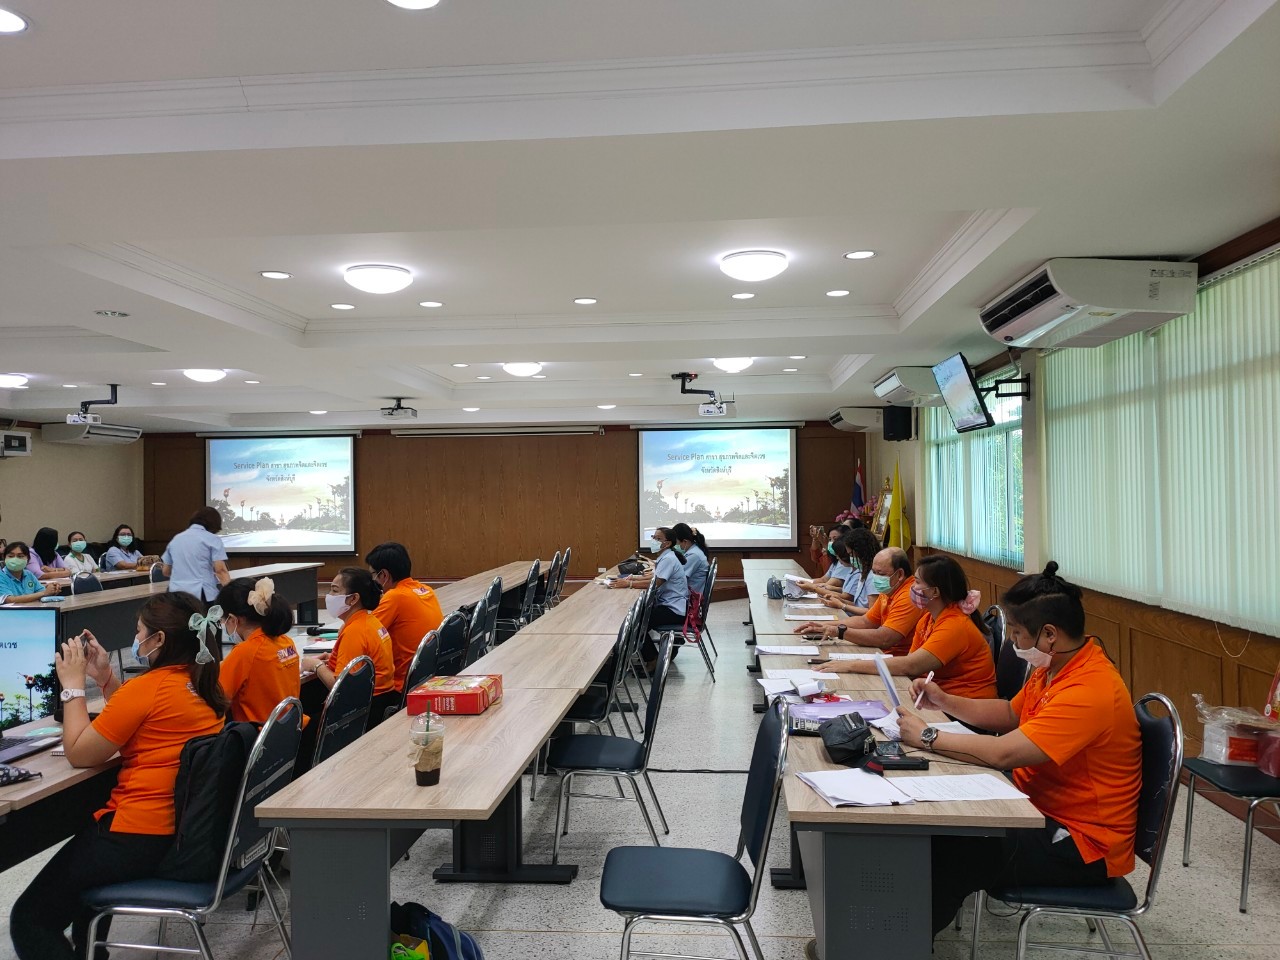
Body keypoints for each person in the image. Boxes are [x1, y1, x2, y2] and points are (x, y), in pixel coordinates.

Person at [896, 562, 1141, 938]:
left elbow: (1004, 754)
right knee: (942, 820)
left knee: (958, 845)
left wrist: (927, 736)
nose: (1011, 642)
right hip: (1033, 806)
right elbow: (1011, 714)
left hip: (1081, 844)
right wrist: (944, 700)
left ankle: (898, 941)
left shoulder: (1091, 690)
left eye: (1015, 633)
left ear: (1049, 635)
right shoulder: (1058, 666)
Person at [10, 592, 226, 960]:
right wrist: (105, 677)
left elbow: (79, 754)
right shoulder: (203, 682)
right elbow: (141, 718)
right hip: (180, 832)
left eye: (139, 631)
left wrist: (73, 686)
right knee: (82, 895)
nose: (135, 638)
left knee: (30, 920)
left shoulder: (148, 688)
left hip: (135, 836)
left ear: (158, 639)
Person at [815, 554, 997, 699]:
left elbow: (910, 666)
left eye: (917, 582)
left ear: (934, 591)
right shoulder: (928, 618)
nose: (912, 586)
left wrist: (851, 665)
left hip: (964, 705)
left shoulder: (955, 625)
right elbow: (911, 663)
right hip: (935, 696)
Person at [300, 568, 397, 729]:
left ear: (353, 599)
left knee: (300, 722)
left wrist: (316, 666)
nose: (329, 596)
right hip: (379, 702)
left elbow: (341, 687)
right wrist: (332, 658)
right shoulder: (370, 621)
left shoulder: (355, 631)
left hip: (362, 712)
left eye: (334, 590)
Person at [791, 547, 922, 655]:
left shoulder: (908, 596)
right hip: (879, 653)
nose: (875, 578)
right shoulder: (890, 589)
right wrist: (822, 625)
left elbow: (885, 639)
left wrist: (839, 632)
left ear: (899, 574)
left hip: (894, 659)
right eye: (874, 572)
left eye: (880, 574)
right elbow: (866, 621)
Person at [215, 576, 304, 725]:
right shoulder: (286, 642)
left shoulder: (245, 651)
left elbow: (216, 697)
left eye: (222, 620)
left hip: (255, 735)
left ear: (233, 619)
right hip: (288, 730)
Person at [365, 541, 445, 693]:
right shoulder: (426, 590)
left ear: (384, 575)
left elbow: (364, 634)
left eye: (373, 575)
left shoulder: (395, 597)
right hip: (424, 677)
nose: (372, 580)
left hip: (400, 686)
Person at [610, 526, 687, 667]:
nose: (654, 541)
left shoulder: (668, 559)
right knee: (637, 618)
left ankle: (652, 659)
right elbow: (654, 579)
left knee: (636, 622)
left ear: (667, 543)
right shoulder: (666, 557)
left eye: (658, 539)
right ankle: (651, 656)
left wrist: (629, 584)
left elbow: (656, 583)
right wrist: (632, 579)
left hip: (673, 609)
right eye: (653, 537)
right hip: (668, 605)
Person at [162, 507, 231, 604]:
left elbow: (166, 571)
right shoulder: (212, 539)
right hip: (201, 594)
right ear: (214, 524)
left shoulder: (176, 539)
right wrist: (231, 592)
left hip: (175, 594)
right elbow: (220, 571)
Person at [800, 523, 852, 589]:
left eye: (835, 539)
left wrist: (809, 586)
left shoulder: (845, 562)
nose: (831, 542)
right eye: (830, 539)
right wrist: (801, 581)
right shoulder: (837, 561)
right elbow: (823, 579)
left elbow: (829, 585)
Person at [670, 523, 709, 597]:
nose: (673, 546)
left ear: (685, 541)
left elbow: (676, 577)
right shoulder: (692, 551)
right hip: (683, 593)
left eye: (675, 543)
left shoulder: (694, 555)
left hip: (687, 597)